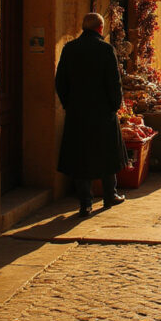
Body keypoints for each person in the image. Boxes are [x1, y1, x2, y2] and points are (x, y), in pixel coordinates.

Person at [56, 12, 128, 218]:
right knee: (107, 153)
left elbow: (60, 81)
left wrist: (68, 104)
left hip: (78, 113)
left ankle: (85, 203)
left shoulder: (69, 49)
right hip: (103, 111)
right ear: (100, 28)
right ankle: (109, 195)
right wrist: (114, 106)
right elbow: (114, 83)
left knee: (81, 157)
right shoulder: (106, 50)